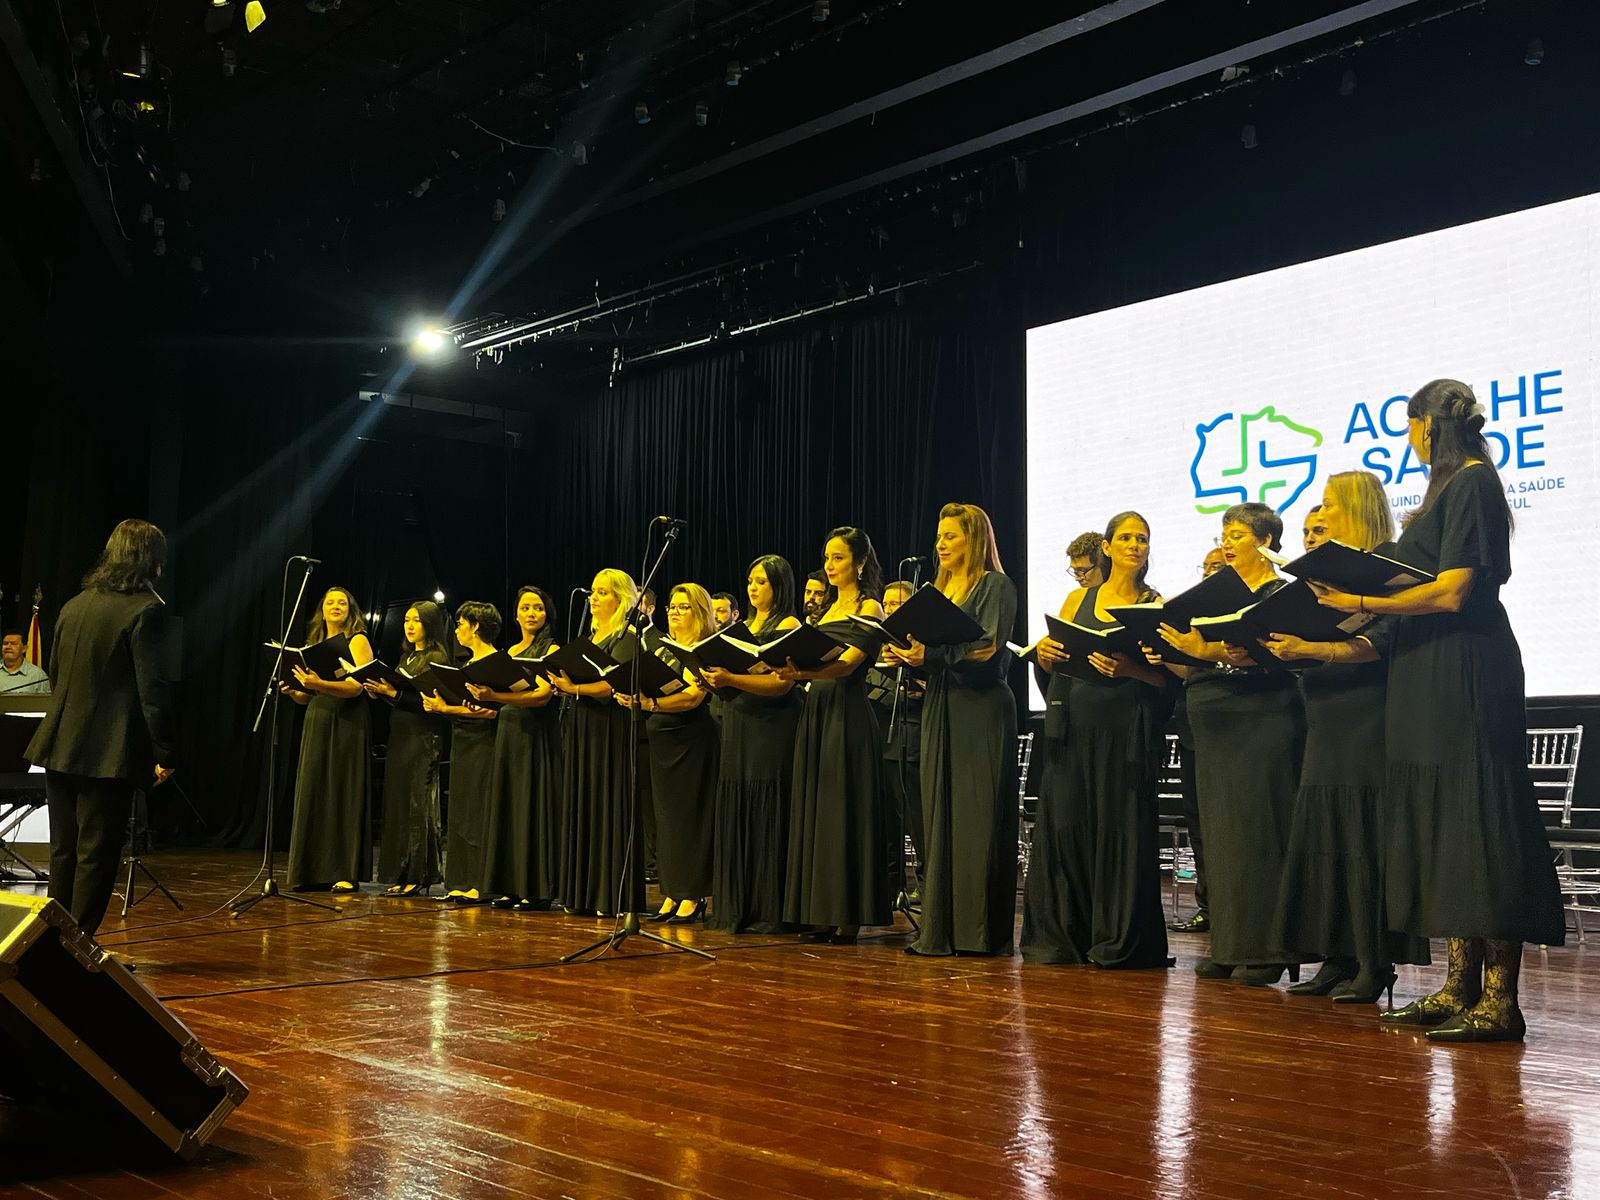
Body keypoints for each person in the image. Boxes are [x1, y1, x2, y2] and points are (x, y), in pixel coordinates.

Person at [1310, 380, 1564, 1042]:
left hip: (1467, 667)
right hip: (1424, 672)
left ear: (1429, 427)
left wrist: (1362, 602)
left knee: (1480, 819)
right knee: (1445, 825)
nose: (1409, 442)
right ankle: (1458, 985)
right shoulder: (1442, 494)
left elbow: (1453, 592)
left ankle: (1500, 999)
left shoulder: (1475, 481)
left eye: (1410, 428)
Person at [1264, 471, 1430, 1004]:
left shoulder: (1385, 565)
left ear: (1355, 506)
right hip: (1326, 709)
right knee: (1327, 835)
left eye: (1330, 503)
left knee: (1363, 837)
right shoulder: (1327, 571)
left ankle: (1373, 959)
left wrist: (1310, 650)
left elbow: (1377, 643)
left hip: (1367, 712)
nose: (1322, 511)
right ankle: (1336, 955)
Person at [1156, 503, 1306, 985]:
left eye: (1238, 534)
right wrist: (1176, 648)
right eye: (1224, 532)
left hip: (1260, 720)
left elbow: (1279, 658)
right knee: (1220, 837)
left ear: (1265, 542)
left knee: (1259, 832)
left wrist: (1209, 651)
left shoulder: (1281, 592)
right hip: (1213, 722)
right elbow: (1200, 661)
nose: (1227, 540)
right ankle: (1228, 941)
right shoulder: (1211, 595)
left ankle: (1267, 948)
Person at [1021, 511, 1172, 968]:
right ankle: (1064, 937)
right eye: (1125, 537)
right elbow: (1054, 662)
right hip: (1074, 732)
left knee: (1120, 832)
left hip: (1125, 734)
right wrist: (1044, 658)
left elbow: (1167, 681)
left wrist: (1131, 670)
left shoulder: (1155, 603)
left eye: (1142, 538)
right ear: (1106, 547)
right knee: (1067, 828)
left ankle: (1117, 940)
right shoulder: (1076, 599)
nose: (1134, 545)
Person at [26, 519, 175, 937]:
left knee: (64, 852)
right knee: (96, 853)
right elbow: (154, 693)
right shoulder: (147, 609)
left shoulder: (75, 604)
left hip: (60, 743)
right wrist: (164, 753)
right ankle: (80, 947)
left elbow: (56, 675)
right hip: (109, 752)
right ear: (151, 559)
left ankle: (53, 942)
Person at [886, 504, 1018, 957]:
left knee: (976, 818)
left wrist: (932, 657)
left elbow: (987, 649)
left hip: (981, 709)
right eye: (938, 536)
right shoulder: (938, 590)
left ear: (974, 540)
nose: (940, 544)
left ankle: (978, 933)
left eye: (950, 537)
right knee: (940, 814)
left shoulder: (996, 585)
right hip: (942, 703)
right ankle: (940, 930)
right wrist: (908, 656)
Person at [780, 527, 890, 943]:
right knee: (817, 809)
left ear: (860, 562)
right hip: (817, 712)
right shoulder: (824, 610)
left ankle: (850, 914)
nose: (829, 566)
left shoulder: (871, 607)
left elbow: (847, 664)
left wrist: (802, 673)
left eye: (838, 558)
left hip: (847, 713)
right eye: (826, 558)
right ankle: (820, 910)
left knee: (845, 809)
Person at [704, 555, 804, 934]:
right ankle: (738, 905)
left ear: (779, 586)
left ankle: (769, 907)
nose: (753, 588)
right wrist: (714, 678)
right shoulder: (740, 627)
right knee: (739, 800)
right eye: (749, 581)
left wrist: (731, 678)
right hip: (739, 721)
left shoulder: (789, 624)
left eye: (761, 581)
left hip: (772, 725)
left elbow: (782, 683)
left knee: (768, 803)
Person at [552, 568, 646, 916]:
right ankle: (582, 891)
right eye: (592, 591)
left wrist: (573, 688)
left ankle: (609, 894)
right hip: (583, 727)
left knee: (607, 802)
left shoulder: (627, 636)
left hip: (610, 728)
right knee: (584, 800)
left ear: (621, 598)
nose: (593, 597)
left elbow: (613, 685)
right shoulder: (590, 637)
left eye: (602, 592)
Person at [623, 583, 718, 924]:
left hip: (690, 742)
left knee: (689, 820)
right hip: (660, 744)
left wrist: (650, 703)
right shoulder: (663, 649)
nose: (674, 612)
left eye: (683, 607)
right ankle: (671, 891)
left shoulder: (703, 649)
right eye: (672, 607)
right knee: (664, 822)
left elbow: (693, 696)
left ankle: (692, 894)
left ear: (700, 612)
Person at [470, 586, 561, 911]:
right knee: (508, 808)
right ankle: (507, 885)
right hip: (508, 732)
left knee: (530, 808)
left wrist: (496, 698)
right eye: (525, 608)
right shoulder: (509, 651)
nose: (531, 613)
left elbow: (542, 695)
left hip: (535, 734)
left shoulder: (551, 648)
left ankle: (534, 889)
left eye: (538, 607)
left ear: (546, 613)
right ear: (517, 614)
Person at [284, 586, 375, 892]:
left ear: (351, 609)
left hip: (347, 721)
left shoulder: (357, 639)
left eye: (342, 602)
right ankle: (310, 869)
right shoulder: (314, 643)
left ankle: (345, 871)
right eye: (330, 602)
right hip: (318, 718)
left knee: (342, 791)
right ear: (321, 610)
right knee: (315, 789)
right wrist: (297, 690)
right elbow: (305, 697)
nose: (336, 606)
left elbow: (358, 686)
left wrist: (318, 683)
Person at [364, 600, 450, 896]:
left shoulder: (437, 657)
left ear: (429, 624)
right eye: (407, 621)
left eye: (416, 620)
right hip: (400, 735)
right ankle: (398, 873)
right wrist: (383, 693)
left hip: (423, 737)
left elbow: (430, 704)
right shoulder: (407, 657)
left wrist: (394, 693)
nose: (410, 626)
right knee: (399, 804)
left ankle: (419, 875)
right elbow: (400, 694)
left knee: (417, 806)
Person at [421, 601, 500, 902]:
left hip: (484, 743)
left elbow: (491, 711)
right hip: (464, 740)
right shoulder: (466, 666)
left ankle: (480, 881)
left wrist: (445, 707)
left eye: (461, 624)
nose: (456, 631)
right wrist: (445, 706)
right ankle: (461, 879)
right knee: (462, 811)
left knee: (479, 810)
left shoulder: (493, 662)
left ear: (476, 627)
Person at [1166, 546, 1227, 935]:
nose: (1209, 574)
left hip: (1231, 729)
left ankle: (1232, 910)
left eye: (1217, 567)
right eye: (1204, 567)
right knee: (1199, 825)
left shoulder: (1237, 612)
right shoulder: (1196, 618)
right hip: (1192, 730)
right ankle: (1208, 905)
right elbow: (1189, 673)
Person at [875, 580, 925, 898]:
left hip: (915, 739)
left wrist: (912, 689)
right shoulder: (878, 642)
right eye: (888, 603)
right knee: (887, 824)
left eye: (899, 603)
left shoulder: (922, 642)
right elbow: (870, 678)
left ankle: (925, 883)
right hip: (883, 740)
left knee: (918, 822)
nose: (892, 608)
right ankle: (892, 887)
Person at [1, 628, 49, 695]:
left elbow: (45, 703)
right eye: (5, 643)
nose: (8, 646)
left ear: (24, 649)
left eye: (13, 644)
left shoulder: (38, 675)